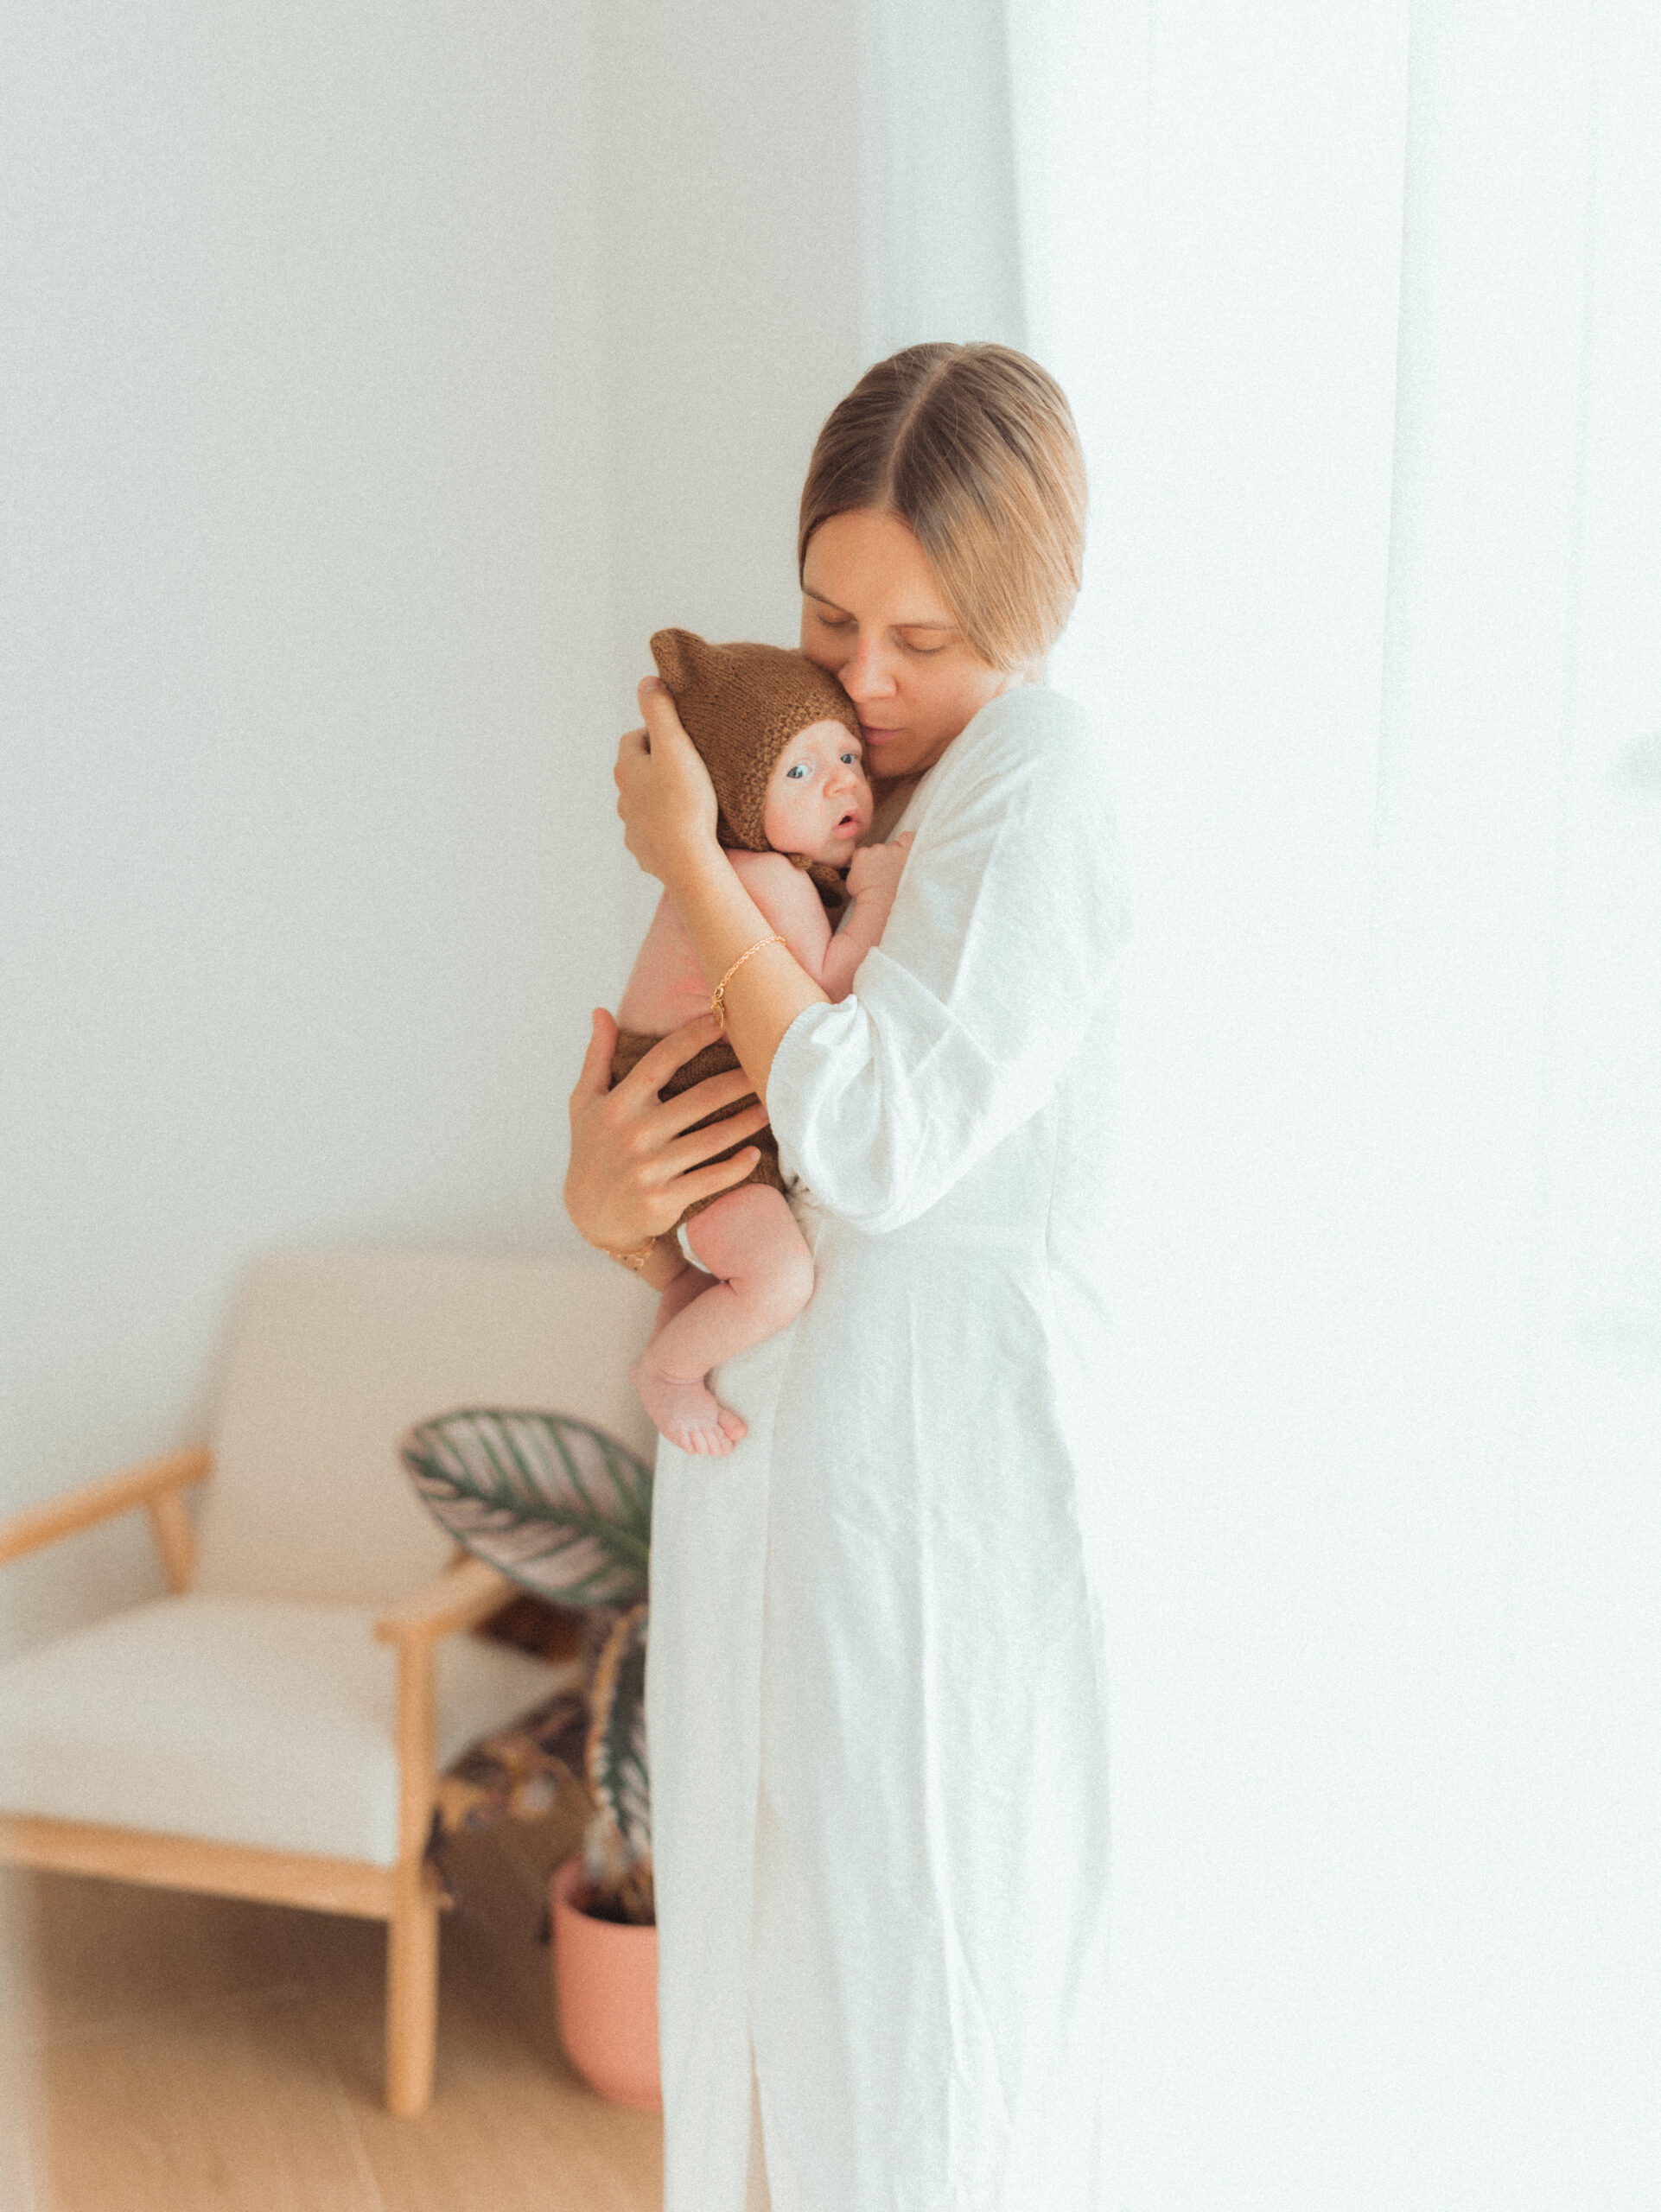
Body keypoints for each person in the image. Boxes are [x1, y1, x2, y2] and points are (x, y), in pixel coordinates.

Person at [564, 342, 1130, 2212]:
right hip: (769, 1471)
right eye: (830, 618)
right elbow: (709, 1117)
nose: (866, 684)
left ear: (1028, 613)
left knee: (917, 2024)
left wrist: (687, 866)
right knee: (769, 1994)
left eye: (924, 640)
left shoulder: (1033, 781)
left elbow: (878, 1136)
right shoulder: (837, 787)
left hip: (933, 1497)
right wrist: (604, 1190)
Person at [610, 629, 912, 1456]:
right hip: (692, 1119)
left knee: (722, 1274)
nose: (841, 783)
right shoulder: (762, 878)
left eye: (846, 755)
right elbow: (826, 996)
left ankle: (677, 1325)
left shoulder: (757, 876)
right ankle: (666, 1376)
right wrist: (879, 893)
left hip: (689, 1109)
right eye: (800, 772)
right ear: (735, 801)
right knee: (778, 1280)